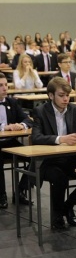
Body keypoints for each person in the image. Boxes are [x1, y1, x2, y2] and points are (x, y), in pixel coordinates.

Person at [31, 77, 76, 228]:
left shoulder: (74, 109)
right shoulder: (41, 111)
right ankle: (57, 215)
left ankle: (67, 207)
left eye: (68, 95)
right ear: (50, 96)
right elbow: (35, 138)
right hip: (49, 162)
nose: (65, 99)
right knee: (60, 178)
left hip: (70, 159)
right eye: (61, 95)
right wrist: (61, 139)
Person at [0, 73, 33, 209]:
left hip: (10, 143)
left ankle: (20, 191)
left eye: (6, 85)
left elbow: (26, 119)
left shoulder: (12, 102)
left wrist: (22, 125)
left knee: (33, 158)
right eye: (0, 86)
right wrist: (4, 127)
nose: (4, 88)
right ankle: (1, 194)